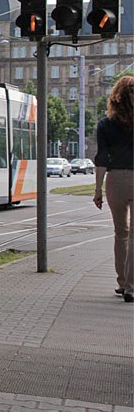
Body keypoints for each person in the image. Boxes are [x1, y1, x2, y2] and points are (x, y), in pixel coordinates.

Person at [93, 76, 134, 303]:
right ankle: (131, 287)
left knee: (121, 233)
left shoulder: (105, 124)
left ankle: (122, 282)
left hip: (115, 180)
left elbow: (101, 158)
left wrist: (97, 189)